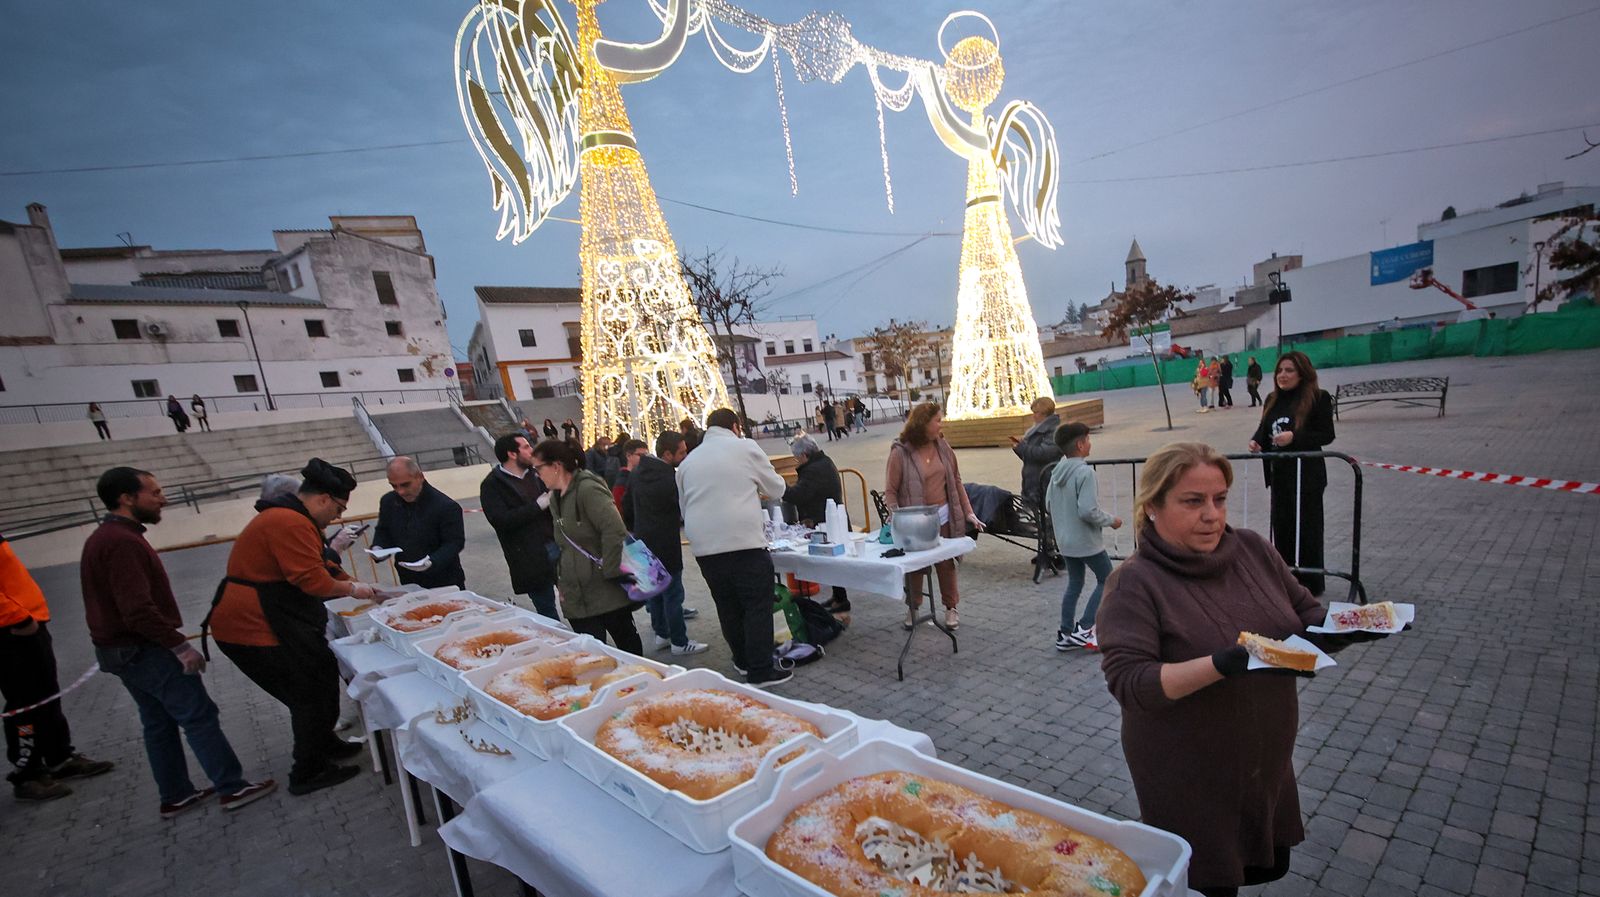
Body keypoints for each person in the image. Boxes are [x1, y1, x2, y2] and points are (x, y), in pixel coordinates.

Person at [1097, 442, 1381, 896]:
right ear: (1152, 507)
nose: (1212, 514)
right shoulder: (1134, 582)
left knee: (1257, 865)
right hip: (1189, 772)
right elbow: (1132, 685)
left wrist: (1351, 626)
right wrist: (1223, 664)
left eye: (1220, 498)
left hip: (1263, 761)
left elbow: (1306, 616)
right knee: (1210, 881)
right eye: (1193, 501)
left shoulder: (1251, 549)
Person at [83, 467, 275, 816]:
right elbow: (137, 610)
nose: (163, 499)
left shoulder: (108, 537)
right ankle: (231, 787)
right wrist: (179, 646)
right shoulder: (121, 543)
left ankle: (175, 794)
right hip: (144, 650)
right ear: (127, 498)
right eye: (154, 493)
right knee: (197, 715)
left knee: (157, 722)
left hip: (122, 651)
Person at [208, 459, 380, 796]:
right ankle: (307, 770)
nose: (338, 517)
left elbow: (322, 564)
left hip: (271, 621)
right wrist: (354, 590)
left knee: (319, 676)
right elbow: (310, 579)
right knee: (308, 694)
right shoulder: (288, 521)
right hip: (255, 627)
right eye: (339, 508)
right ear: (323, 499)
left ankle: (323, 743)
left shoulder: (293, 519)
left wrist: (358, 584)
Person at [678, 408, 792, 687]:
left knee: (727, 605)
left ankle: (741, 661)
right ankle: (761, 670)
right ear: (735, 426)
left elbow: (684, 507)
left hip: (705, 547)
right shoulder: (744, 447)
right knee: (756, 606)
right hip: (743, 543)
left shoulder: (689, 462)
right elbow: (777, 488)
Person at [2, 534, 114, 801]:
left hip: (26, 624)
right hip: (12, 630)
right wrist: (17, 619)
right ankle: (27, 773)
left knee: (45, 694)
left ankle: (59, 758)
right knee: (24, 703)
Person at [533, 439, 643, 653]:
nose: (536, 474)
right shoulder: (555, 497)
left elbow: (614, 531)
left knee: (627, 649)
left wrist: (612, 571)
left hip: (606, 591)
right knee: (591, 655)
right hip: (577, 596)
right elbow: (565, 545)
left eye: (538, 468)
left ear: (556, 466)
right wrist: (562, 583)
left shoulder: (588, 489)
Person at [883, 402, 983, 631]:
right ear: (923, 423)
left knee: (946, 565)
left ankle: (951, 608)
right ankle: (914, 607)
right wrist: (895, 515)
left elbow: (956, 481)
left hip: (944, 517)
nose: (942, 423)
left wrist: (969, 513)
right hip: (914, 523)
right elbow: (891, 489)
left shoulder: (943, 446)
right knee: (916, 568)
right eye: (938, 419)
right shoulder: (900, 452)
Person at [1249, 351, 1335, 595]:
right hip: (1280, 475)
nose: (1282, 376)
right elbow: (1264, 429)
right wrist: (1256, 442)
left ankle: (1311, 583)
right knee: (1283, 527)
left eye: (1289, 371)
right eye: (1279, 371)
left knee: (1308, 528)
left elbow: (1326, 434)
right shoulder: (1271, 400)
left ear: (1302, 374)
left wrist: (1295, 438)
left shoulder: (1318, 398)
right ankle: (1286, 581)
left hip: (1307, 476)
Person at [624, 431, 707, 655]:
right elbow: (682, 508)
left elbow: (627, 507)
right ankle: (680, 641)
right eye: (682, 452)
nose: (685, 455)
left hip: (643, 542)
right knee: (673, 594)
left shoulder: (637, 473)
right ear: (667, 453)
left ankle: (662, 633)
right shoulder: (670, 478)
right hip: (666, 543)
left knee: (655, 592)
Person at [1044, 423, 1121, 651]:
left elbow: (1049, 504)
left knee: (1075, 583)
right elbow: (1088, 510)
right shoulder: (1085, 472)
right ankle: (1085, 628)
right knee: (1107, 579)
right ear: (1079, 444)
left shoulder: (1057, 471)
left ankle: (1065, 633)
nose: (1090, 443)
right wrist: (1112, 520)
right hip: (1086, 542)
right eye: (1088, 439)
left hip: (1065, 541)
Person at [480, 433, 560, 619]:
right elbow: (501, 521)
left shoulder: (538, 474)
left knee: (574, 600)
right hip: (527, 556)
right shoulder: (492, 485)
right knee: (546, 610)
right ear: (512, 454)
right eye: (525, 447)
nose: (531, 450)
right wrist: (537, 506)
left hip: (556, 546)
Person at [782, 432, 851, 613]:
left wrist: (781, 488)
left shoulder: (813, 470)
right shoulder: (824, 462)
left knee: (831, 563)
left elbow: (799, 494)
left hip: (826, 521)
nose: (797, 461)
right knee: (832, 564)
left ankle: (841, 600)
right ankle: (838, 597)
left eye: (797, 458)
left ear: (804, 455)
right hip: (828, 518)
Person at [373, 456, 466, 590]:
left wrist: (431, 562)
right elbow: (383, 530)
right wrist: (379, 547)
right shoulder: (388, 501)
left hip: (444, 580)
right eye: (394, 486)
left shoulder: (445, 506)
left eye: (405, 484)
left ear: (420, 477)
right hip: (408, 580)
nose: (401, 491)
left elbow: (454, 542)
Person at [1008, 396, 1063, 504]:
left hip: (1044, 479)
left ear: (1044, 413)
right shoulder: (1035, 429)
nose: (1033, 416)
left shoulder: (1053, 431)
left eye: (1036, 412)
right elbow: (1029, 458)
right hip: (1032, 480)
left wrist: (1023, 447)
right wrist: (1019, 448)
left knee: (1044, 512)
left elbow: (1044, 454)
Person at [611, 439, 647, 513]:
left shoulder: (644, 477)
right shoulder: (622, 482)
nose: (644, 458)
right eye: (640, 455)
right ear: (628, 455)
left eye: (646, 455)